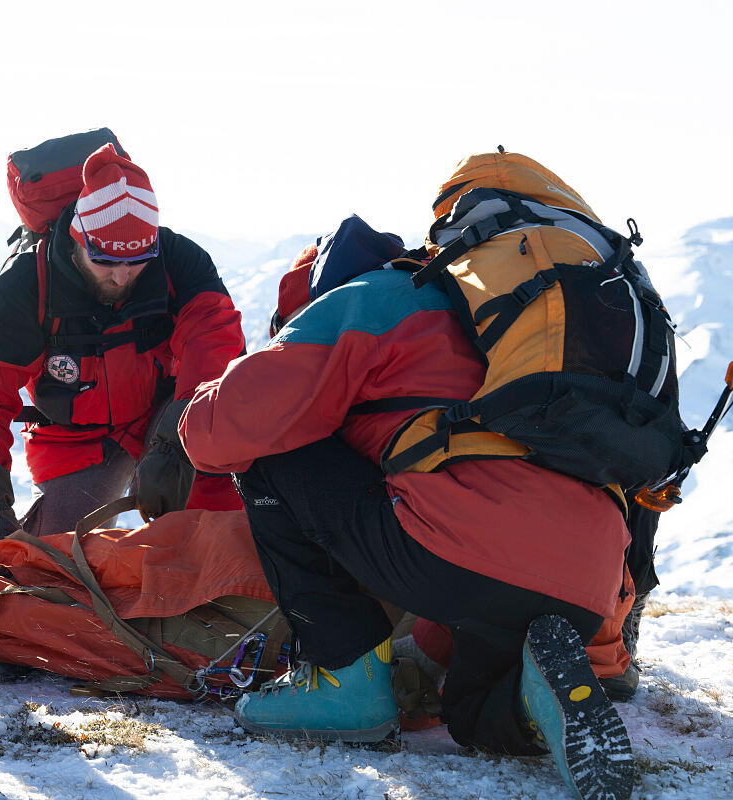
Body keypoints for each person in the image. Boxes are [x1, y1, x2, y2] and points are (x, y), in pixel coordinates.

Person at [180, 204, 636, 797]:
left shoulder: (368, 297)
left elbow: (222, 431)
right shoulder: (499, 313)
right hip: (589, 584)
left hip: (467, 550)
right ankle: (527, 698)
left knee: (270, 449)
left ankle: (344, 686)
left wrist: (203, 401)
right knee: (470, 712)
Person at [0, 144, 245, 543]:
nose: (122, 278)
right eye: (105, 262)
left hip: (166, 410)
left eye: (136, 262)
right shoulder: (25, 286)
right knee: (56, 558)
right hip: (73, 436)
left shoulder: (179, 262)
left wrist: (174, 441)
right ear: (76, 240)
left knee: (215, 519)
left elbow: (217, 351)